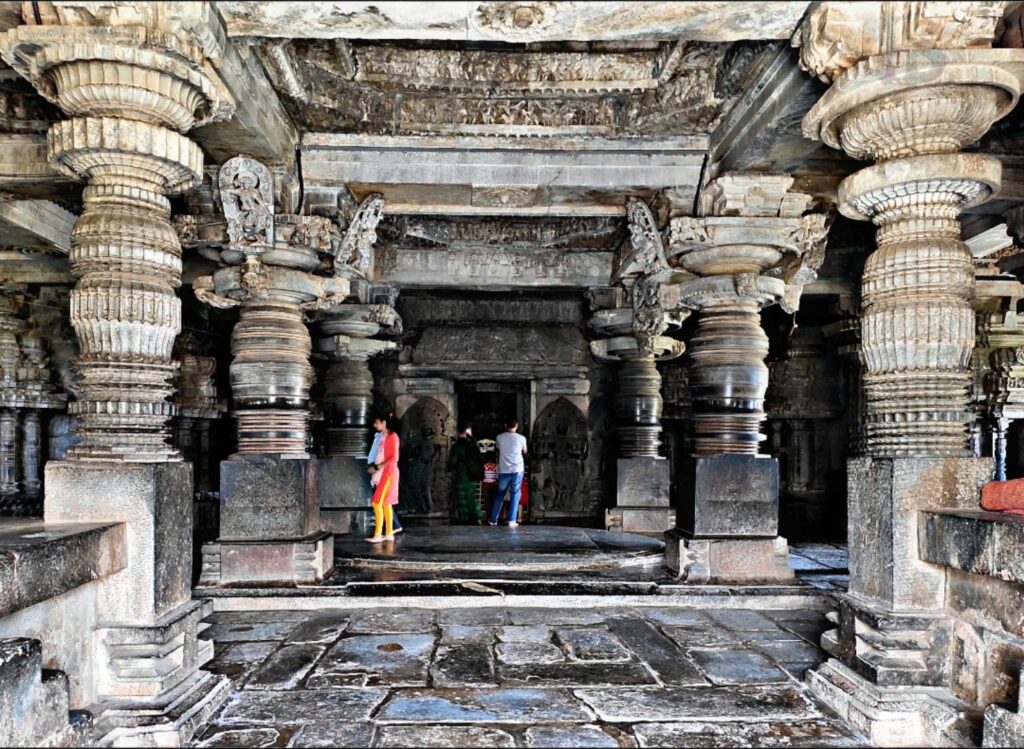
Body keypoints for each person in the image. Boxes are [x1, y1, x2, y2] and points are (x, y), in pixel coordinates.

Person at [367, 413, 400, 543]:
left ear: (384, 422)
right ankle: (388, 534)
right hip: (385, 472)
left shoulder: (392, 437)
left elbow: (393, 459)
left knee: (376, 502)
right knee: (386, 503)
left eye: (377, 422)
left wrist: (376, 467)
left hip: (388, 472)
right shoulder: (384, 436)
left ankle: (378, 534)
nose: (375, 425)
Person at [489, 419, 528, 527]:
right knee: (515, 494)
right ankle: (511, 520)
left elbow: (496, 450)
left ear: (506, 425)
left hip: (504, 470)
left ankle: (493, 519)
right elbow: (525, 452)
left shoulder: (499, 437)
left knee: (499, 494)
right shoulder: (521, 438)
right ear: (517, 426)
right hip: (517, 470)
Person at [448, 423, 485, 523]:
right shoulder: (473, 444)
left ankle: (464, 517)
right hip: (473, 474)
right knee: (471, 496)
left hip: (462, 474)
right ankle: (475, 515)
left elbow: (452, 462)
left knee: (461, 497)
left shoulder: (457, 446)